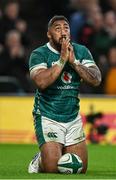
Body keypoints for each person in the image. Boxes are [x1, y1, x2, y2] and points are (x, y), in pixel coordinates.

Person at [28, 15, 101, 173]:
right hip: (48, 116)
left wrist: (74, 62)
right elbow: (41, 82)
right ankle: (39, 159)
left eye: (66, 28)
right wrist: (62, 60)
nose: (63, 32)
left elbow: (96, 79)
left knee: (79, 169)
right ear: (49, 34)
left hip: (72, 117)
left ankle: (54, 153)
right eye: (58, 28)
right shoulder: (39, 54)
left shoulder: (81, 51)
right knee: (52, 167)